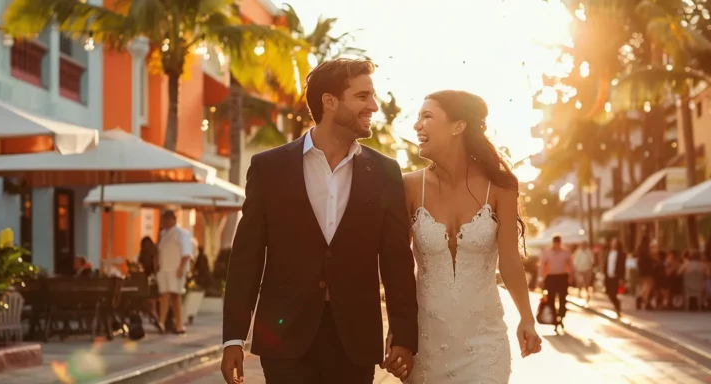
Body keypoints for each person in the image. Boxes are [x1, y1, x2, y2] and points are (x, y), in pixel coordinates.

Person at [221, 58, 418, 384]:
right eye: (362, 96)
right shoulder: (269, 168)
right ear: (329, 101)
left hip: (354, 340)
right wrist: (233, 338)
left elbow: (397, 261)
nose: (373, 106)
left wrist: (404, 336)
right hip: (284, 341)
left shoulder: (385, 173)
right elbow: (246, 259)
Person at [404, 89, 542, 382]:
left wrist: (526, 319)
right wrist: (398, 333)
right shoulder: (410, 187)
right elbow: (398, 268)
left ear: (458, 126)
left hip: (485, 346)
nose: (417, 125)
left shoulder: (501, 187)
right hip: (425, 343)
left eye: (427, 116)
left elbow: (510, 262)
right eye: (418, 118)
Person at [156, 210, 194, 335]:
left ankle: (179, 324)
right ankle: (161, 322)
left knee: (175, 296)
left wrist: (181, 268)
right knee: (165, 295)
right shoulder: (163, 234)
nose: (164, 222)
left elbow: (186, 253)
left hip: (175, 269)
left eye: (166, 219)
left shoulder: (181, 233)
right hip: (164, 269)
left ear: (173, 219)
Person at [540, 235, 572, 332]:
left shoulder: (565, 252)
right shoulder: (547, 252)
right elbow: (542, 265)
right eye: (555, 242)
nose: (556, 244)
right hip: (551, 277)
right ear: (553, 242)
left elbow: (571, 265)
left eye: (558, 242)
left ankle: (561, 317)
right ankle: (554, 320)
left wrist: (571, 277)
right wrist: (541, 278)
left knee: (562, 299)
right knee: (551, 299)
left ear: (560, 243)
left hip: (562, 277)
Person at [604, 238, 627, 316]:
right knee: (609, 293)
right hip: (609, 276)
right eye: (612, 243)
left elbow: (622, 267)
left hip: (616, 276)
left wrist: (621, 278)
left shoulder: (621, 254)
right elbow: (606, 264)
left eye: (615, 243)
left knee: (614, 293)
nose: (613, 244)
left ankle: (617, 306)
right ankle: (617, 305)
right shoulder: (608, 253)